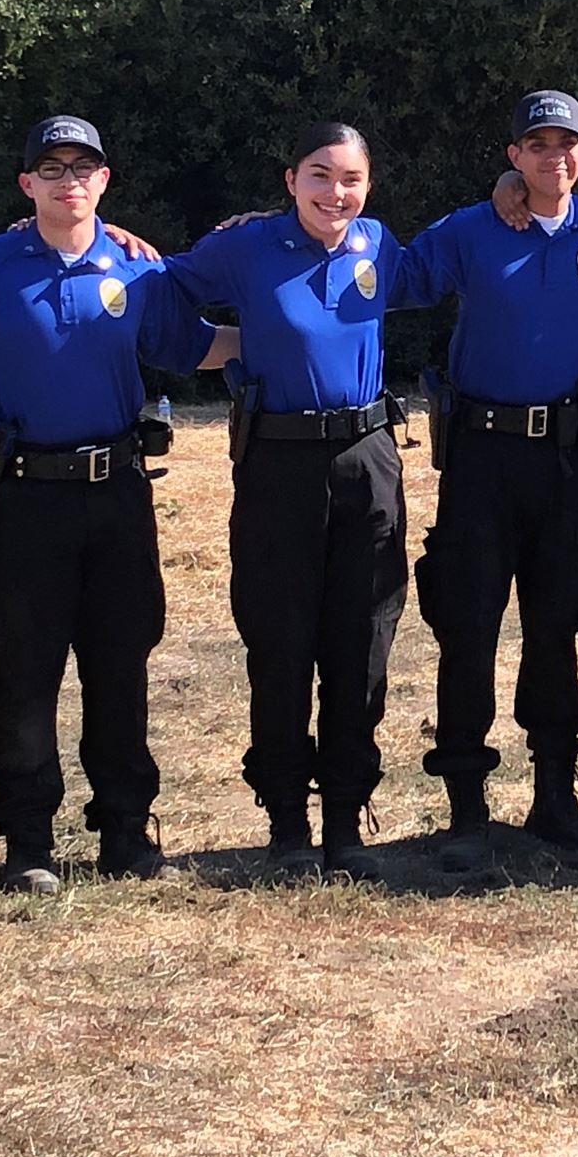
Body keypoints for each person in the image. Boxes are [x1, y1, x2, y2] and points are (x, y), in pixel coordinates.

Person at [0, 116, 231, 892]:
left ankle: (126, 830)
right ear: (26, 184)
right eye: (51, 165)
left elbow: (196, 346)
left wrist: (282, 330)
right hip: (26, 496)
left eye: (84, 165)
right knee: (24, 669)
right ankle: (27, 836)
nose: (68, 177)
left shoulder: (140, 270)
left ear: (105, 180)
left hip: (117, 493)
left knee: (120, 664)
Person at [395, 90, 578, 871]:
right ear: (513, 156)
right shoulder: (470, 229)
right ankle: (466, 807)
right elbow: (388, 277)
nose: (551, 157)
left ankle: (556, 798)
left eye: (566, 144)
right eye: (536, 145)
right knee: (468, 625)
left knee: (558, 623)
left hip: (568, 458)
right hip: (482, 457)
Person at [167, 123, 411, 880]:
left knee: (360, 642)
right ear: (289, 179)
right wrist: (231, 346)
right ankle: (286, 824)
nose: (335, 193)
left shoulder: (379, 244)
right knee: (280, 644)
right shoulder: (245, 247)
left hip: (366, 459)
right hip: (277, 462)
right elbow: (158, 292)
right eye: (319, 175)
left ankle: (346, 820)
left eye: (350, 179)